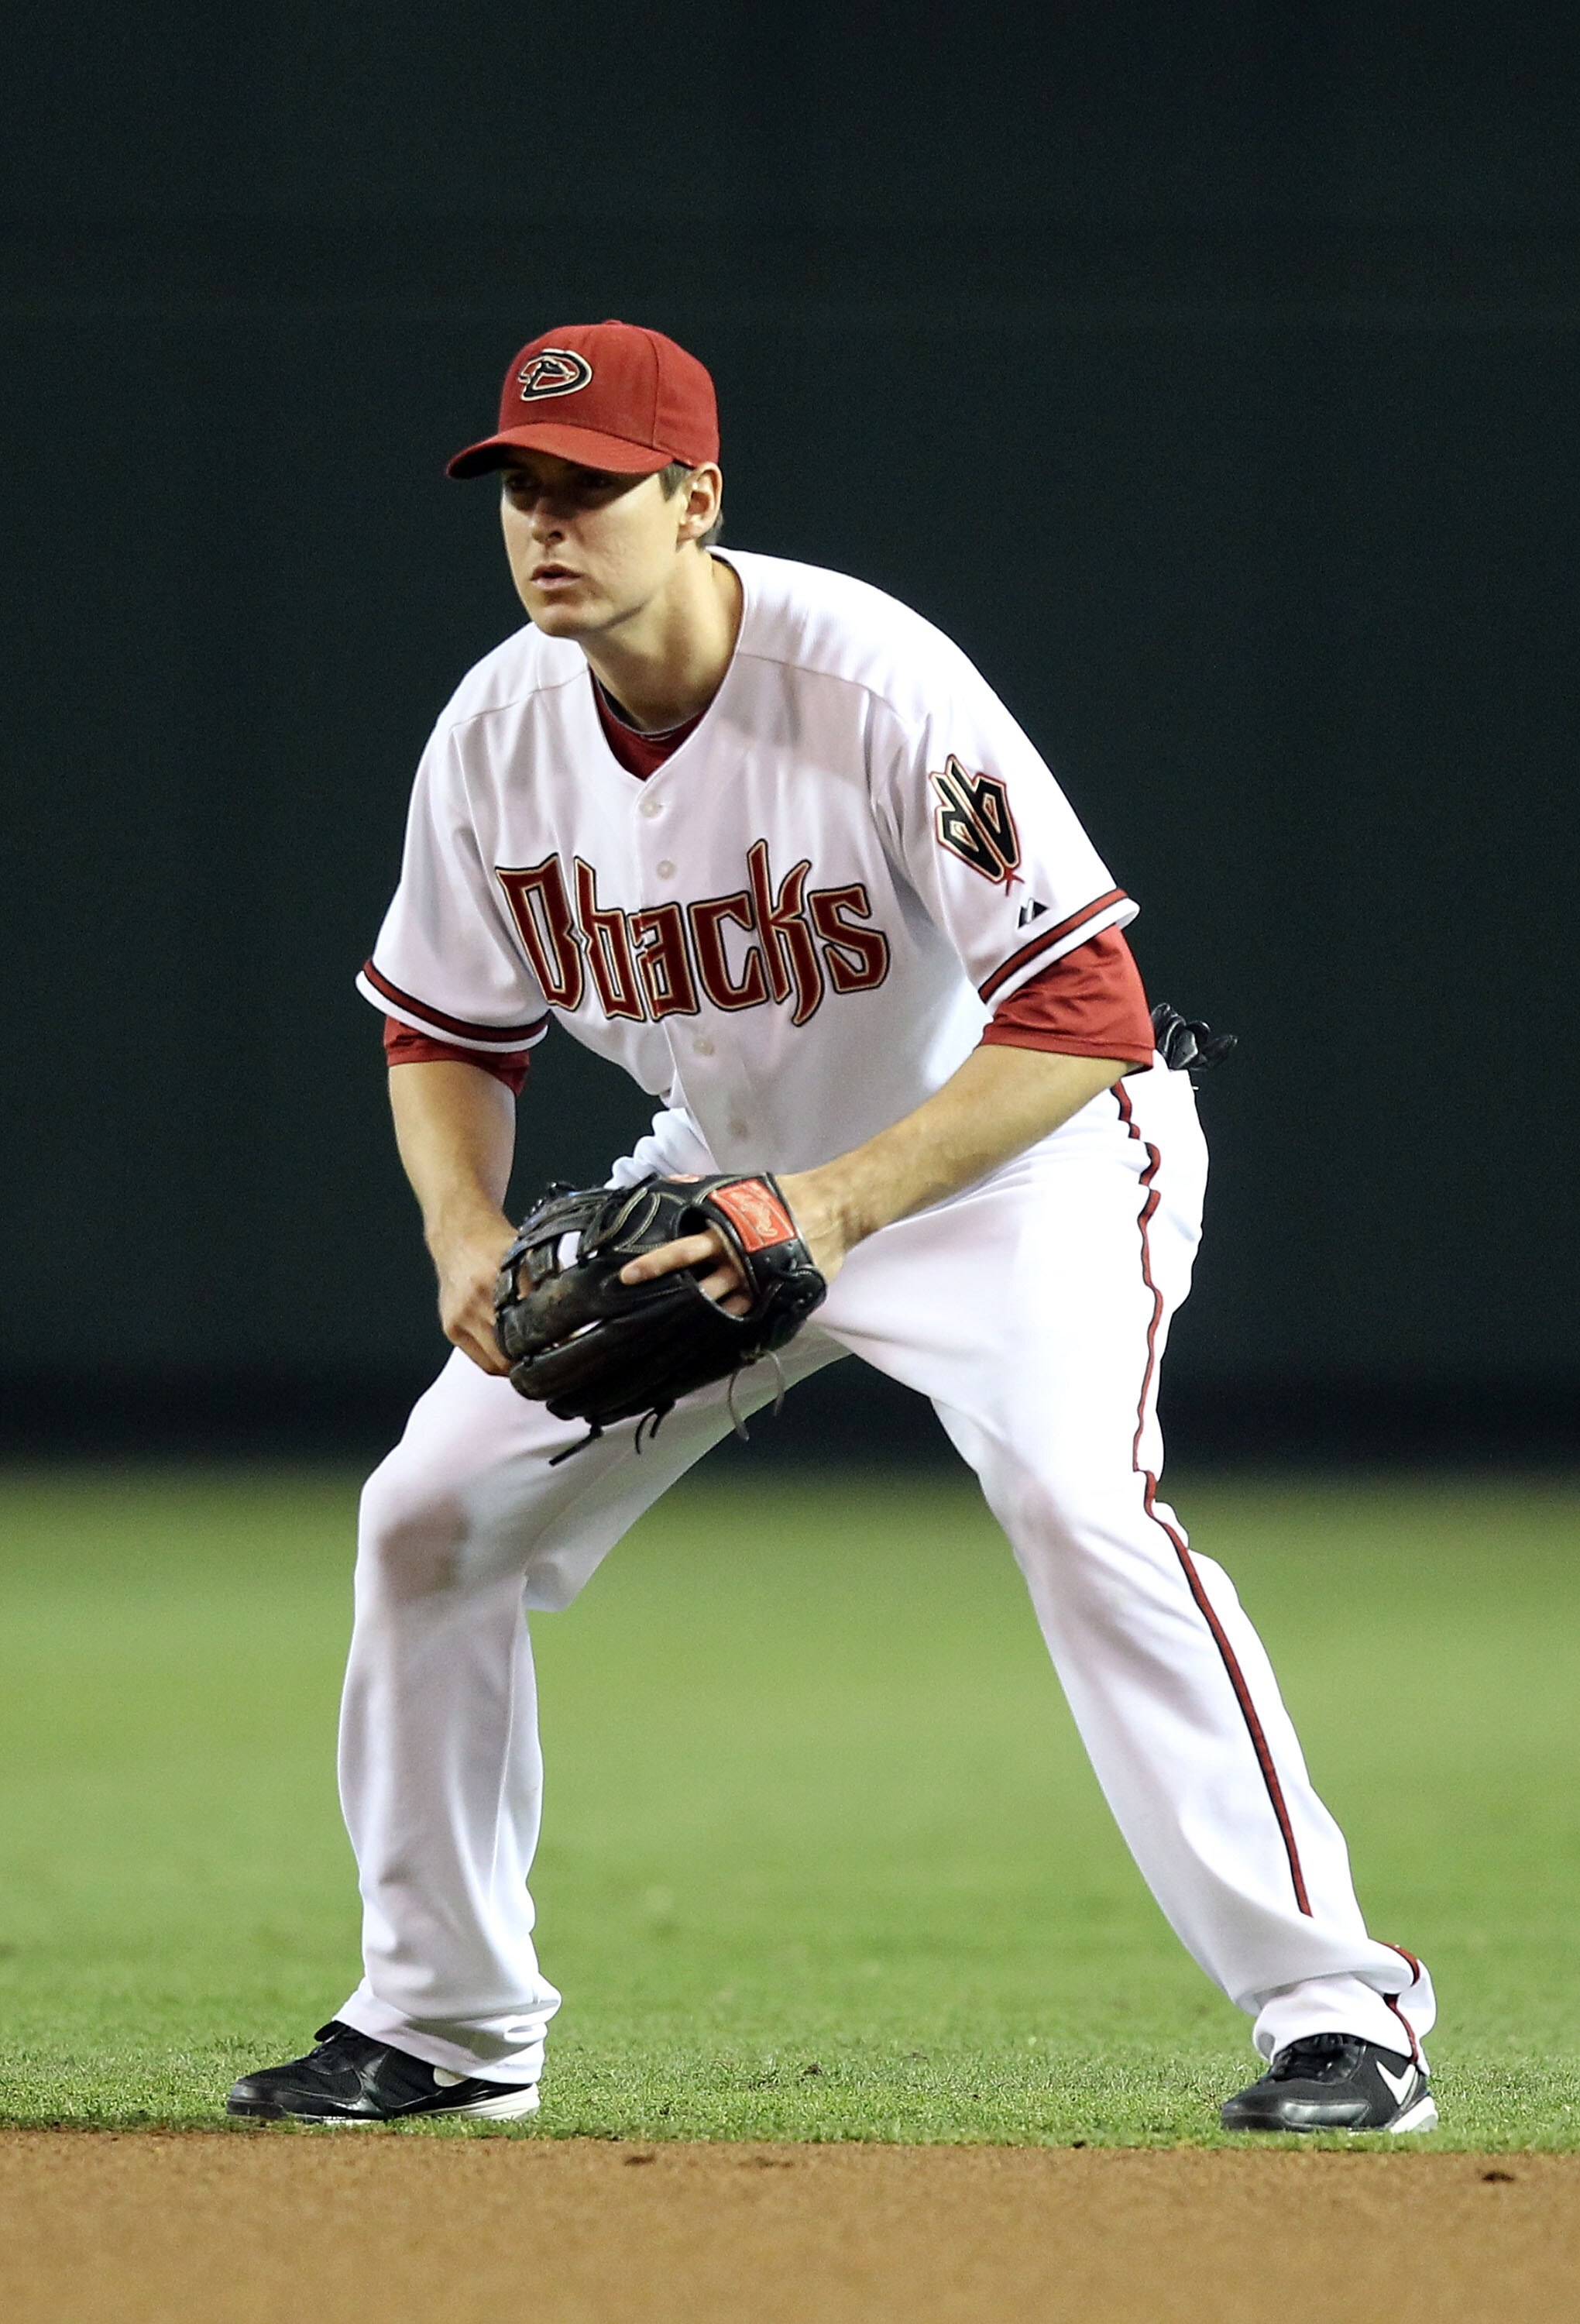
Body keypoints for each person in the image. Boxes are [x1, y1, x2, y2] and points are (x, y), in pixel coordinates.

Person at [228, 320, 1435, 2134]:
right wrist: (463, 1230)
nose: (548, 523)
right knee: (425, 1519)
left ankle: (1343, 2015)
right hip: (730, 1171)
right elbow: (442, 1031)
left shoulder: (873, 683)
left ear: (696, 496)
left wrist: (841, 1202)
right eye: (523, 492)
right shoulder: (495, 732)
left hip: (1014, 1165)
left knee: (1076, 1508)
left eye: (594, 486)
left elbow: (1087, 1013)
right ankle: (445, 2026)